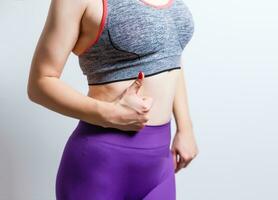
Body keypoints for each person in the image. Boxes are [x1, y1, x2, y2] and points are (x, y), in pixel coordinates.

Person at [27, 0, 199, 199]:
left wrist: (185, 127)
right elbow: (40, 83)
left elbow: (170, 53)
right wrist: (110, 114)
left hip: (159, 165)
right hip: (101, 165)